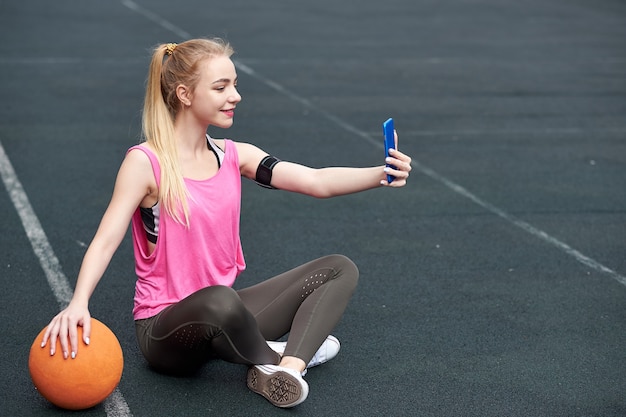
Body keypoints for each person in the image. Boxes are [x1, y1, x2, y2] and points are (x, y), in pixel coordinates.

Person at [40, 38, 412, 408]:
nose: (235, 96)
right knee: (220, 299)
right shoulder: (145, 163)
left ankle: (289, 369)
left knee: (337, 269)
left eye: (235, 84)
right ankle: (270, 355)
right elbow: (107, 237)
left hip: (227, 318)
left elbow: (315, 181)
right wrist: (78, 303)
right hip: (166, 333)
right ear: (185, 94)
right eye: (221, 87)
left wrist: (381, 173)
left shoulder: (236, 155)